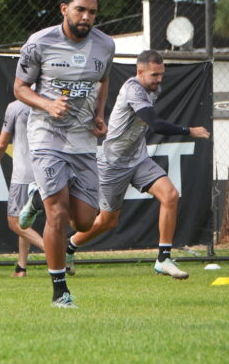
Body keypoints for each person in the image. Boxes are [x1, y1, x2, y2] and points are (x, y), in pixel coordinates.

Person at [64, 50, 210, 280]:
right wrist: (189, 130)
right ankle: (69, 247)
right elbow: (155, 124)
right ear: (139, 72)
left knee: (170, 195)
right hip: (113, 163)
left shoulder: (153, 88)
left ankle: (163, 258)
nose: (159, 79)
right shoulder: (133, 89)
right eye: (154, 75)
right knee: (106, 221)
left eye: (161, 74)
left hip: (139, 159)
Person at [14, 0, 115, 309]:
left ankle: (34, 197)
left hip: (83, 139)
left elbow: (103, 80)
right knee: (57, 212)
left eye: (92, 12)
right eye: (80, 10)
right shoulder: (39, 43)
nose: (87, 17)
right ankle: (60, 290)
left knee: (85, 221)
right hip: (47, 136)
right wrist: (46, 105)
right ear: (64, 9)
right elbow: (19, 88)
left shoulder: (105, 45)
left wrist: (100, 114)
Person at [0, 99, 45, 277]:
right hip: (48, 171)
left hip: (24, 175)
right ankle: (21, 268)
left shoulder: (16, 106)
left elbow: (2, 143)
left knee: (15, 223)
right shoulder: (50, 100)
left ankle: (56, 253)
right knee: (26, 221)